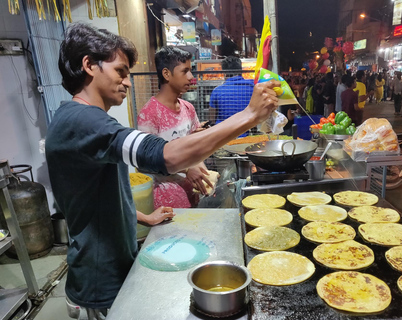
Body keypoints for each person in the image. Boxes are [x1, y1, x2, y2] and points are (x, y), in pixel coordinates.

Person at [45, 23, 279, 318]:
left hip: (113, 261)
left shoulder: (81, 121)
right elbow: (163, 156)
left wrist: (141, 216)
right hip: (99, 274)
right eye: (120, 71)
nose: (127, 82)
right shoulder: (83, 121)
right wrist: (249, 115)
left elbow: (92, 198)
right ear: (89, 65)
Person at [137, 46, 211, 209]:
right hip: (166, 201)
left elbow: (194, 152)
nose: (191, 77)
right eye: (185, 71)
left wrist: (206, 177)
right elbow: (144, 162)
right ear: (166, 74)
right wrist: (187, 169)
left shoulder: (188, 108)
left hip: (192, 194)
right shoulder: (149, 114)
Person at [209, 56, 255, 136]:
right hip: (246, 135)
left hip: (222, 136)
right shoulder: (253, 87)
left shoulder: (217, 91)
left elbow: (212, 119)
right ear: (241, 70)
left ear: (225, 73)